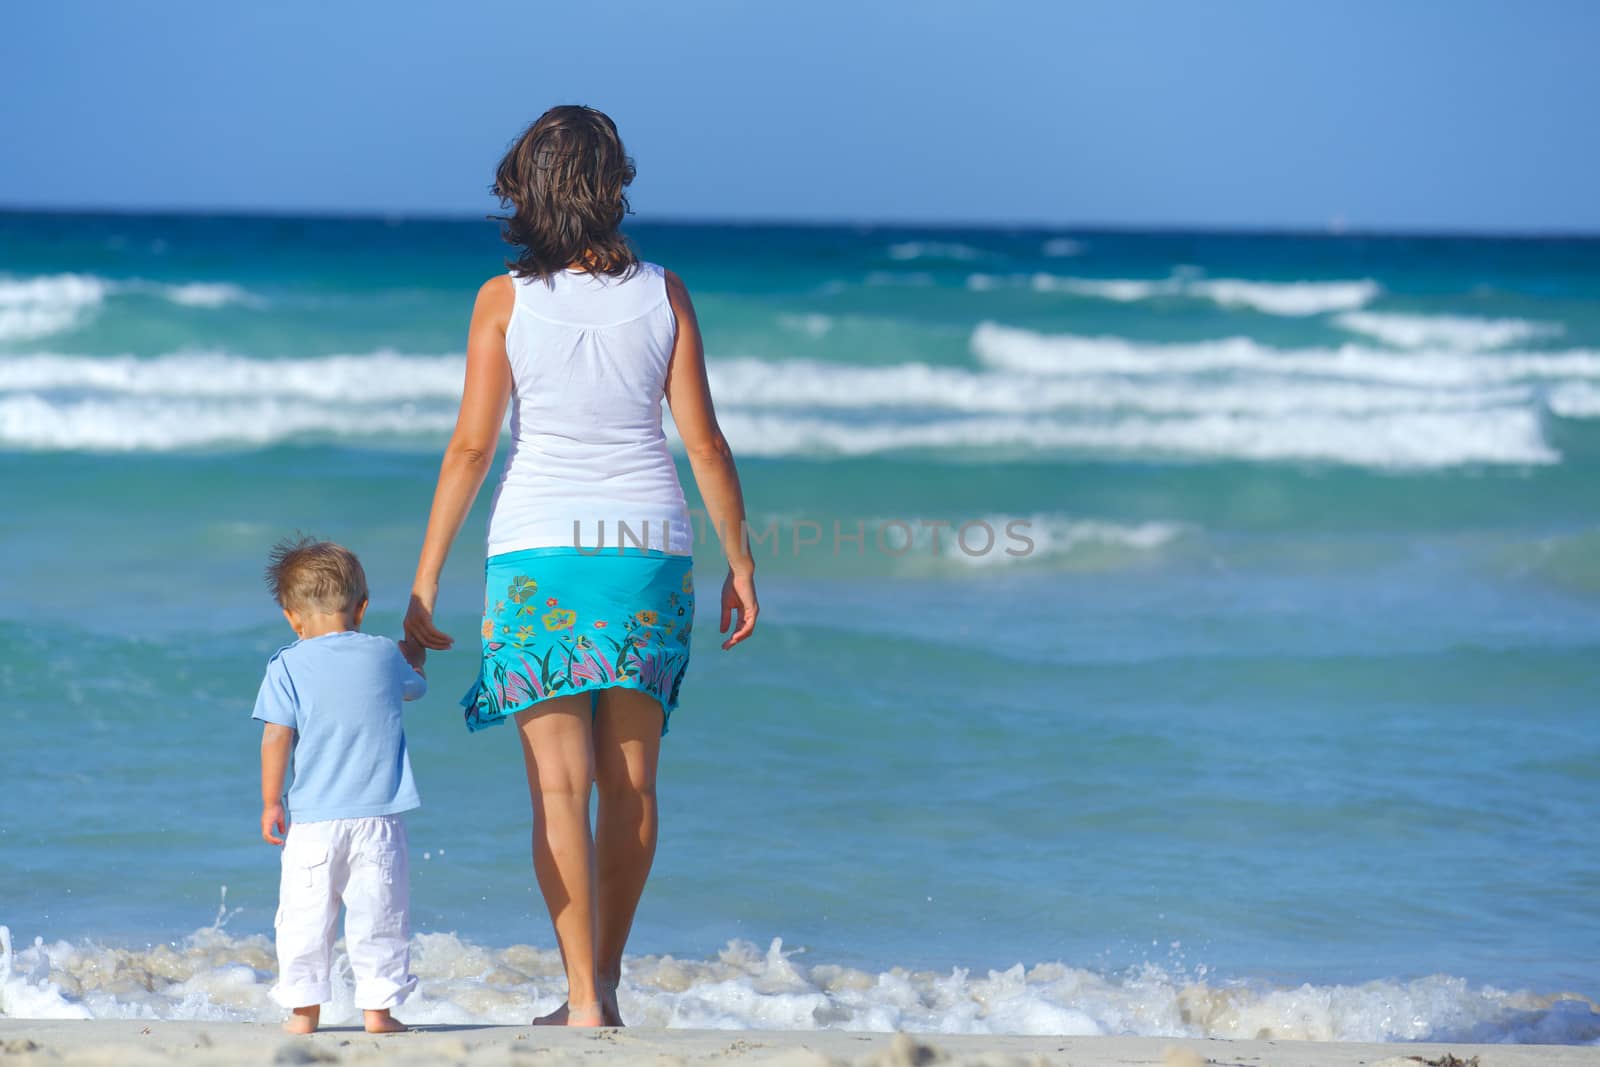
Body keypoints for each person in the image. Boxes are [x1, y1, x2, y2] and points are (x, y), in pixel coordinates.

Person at [402, 104, 758, 1028]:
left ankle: (584, 999)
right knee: (632, 784)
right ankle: (605, 975)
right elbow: (706, 444)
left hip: (537, 554)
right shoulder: (666, 293)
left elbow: (472, 448)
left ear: (526, 187)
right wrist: (742, 561)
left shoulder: (503, 299)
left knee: (559, 788)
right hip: (646, 551)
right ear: (614, 185)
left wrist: (426, 576)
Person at [253, 536, 428, 1035]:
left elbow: (275, 736)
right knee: (381, 917)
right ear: (363, 607)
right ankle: (379, 1013)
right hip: (379, 819)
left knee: (304, 918)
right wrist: (413, 652)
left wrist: (270, 801)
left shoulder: (286, 664)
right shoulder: (382, 655)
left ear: (292, 616)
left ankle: (303, 1014)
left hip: (313, 821)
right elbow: (414, 685)